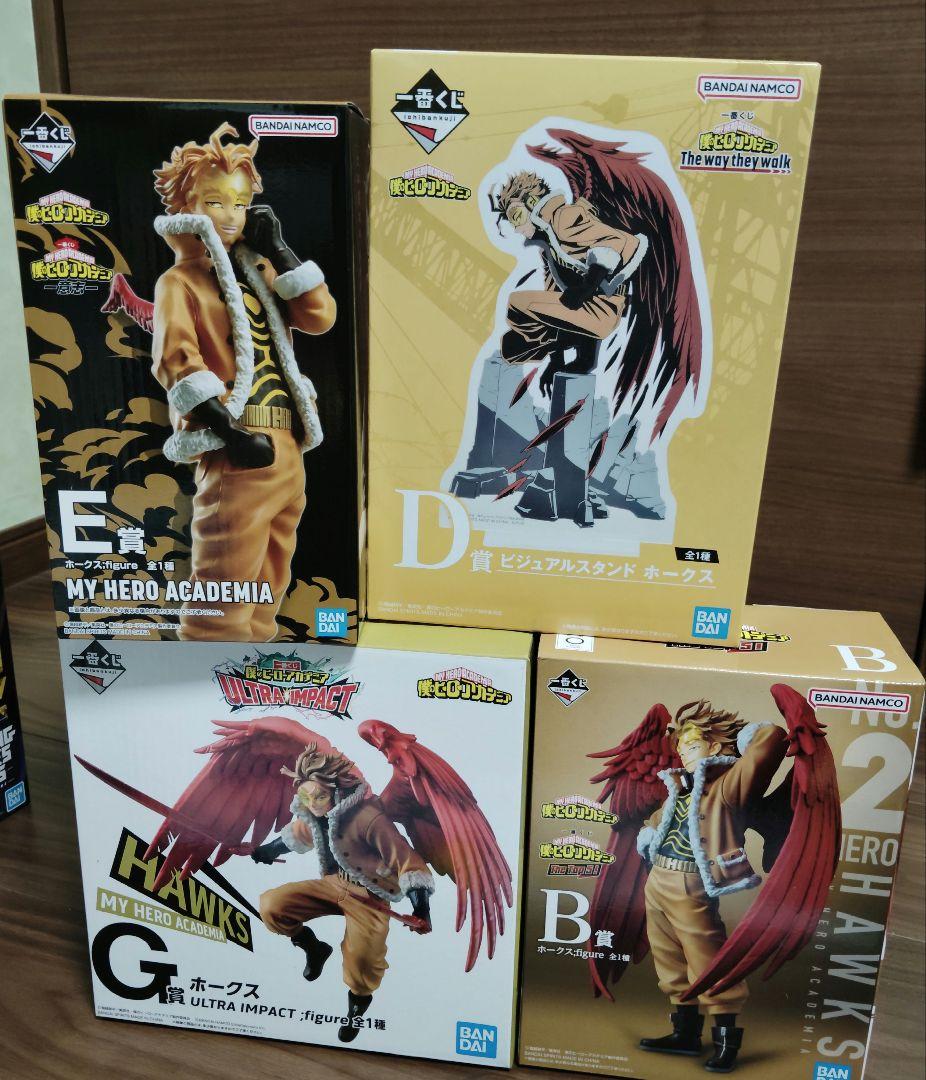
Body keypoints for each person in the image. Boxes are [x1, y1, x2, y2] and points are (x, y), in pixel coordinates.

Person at [151, 122, 335, 640]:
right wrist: (231, 435)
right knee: (224, 584)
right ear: (186, 206)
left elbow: (320, 317)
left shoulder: (260, 270)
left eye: (239, 202)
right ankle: (206, 670)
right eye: (215, 202)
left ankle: (253, 668)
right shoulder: (179, 281)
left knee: (270, 579)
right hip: (238, 443)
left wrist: (278, 248)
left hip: (288, 444)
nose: (230, 215)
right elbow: (178, 364)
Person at [251, 744, 434, 1042]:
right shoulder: (315, 814)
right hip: (333, 883)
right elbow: (299, 834)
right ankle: (314, 948)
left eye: (320, 796)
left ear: (336, 792)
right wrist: (267, 850)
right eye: (306, 797)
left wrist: (421, 908)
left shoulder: (368, 817)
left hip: (370, 895)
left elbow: (406, 861)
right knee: (272, 905)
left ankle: (356, 1012)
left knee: (362, 960)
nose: (313, 804)